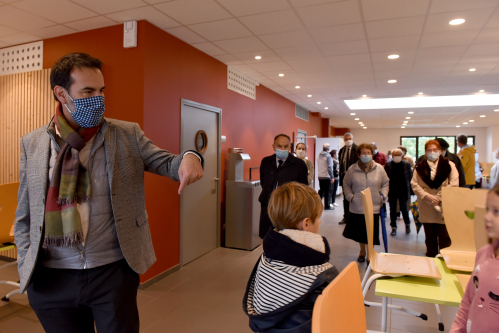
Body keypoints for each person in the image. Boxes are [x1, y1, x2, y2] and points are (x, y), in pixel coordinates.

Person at [13, 53, 204, 333]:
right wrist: (25, 262)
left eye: (101, 90)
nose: (98, 99)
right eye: (88, 91)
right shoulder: (32, 143)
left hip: (111, 274)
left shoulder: (126, 134)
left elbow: (168, 163)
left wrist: (191, 156)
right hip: (51, 279)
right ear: (61, 93)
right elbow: (25, 213)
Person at [243, 182, 339, 333]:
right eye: (318, 218)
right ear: (306, 224)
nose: (320, 221)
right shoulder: (324, 275)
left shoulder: (265, 259)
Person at [450, 185, 499, 333]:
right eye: (488, 209)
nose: (486, 216)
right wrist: (457, 329)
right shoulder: (484, 253)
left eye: (496, 211)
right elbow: (468, 300)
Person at [342, 143, 389, 263]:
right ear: (358, 155)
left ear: (372, 154)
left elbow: (385, 183)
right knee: (360, 232)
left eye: (369, 153)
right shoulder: (352, 169)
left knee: (371, 232)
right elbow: (346, 184)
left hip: (374, 205)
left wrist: (383, 195)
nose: (366, 155)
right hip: (357, 205)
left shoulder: (379, 168)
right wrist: (350, 197)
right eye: (364, 153)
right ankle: (362, 251)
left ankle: (370, 254)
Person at [411, 140, 459, 258]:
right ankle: (431, 262)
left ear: (440, 151)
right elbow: (414, 184)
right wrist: (426, 196)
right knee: (430, 238)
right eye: (429, 150)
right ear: (425, 152)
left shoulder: (449, 165)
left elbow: (454, 183)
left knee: (444, 237)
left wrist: (438, 197)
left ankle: (445, 264)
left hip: (443, 205)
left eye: (435, 150)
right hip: (426, 205)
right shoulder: (420, 167)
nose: (432, 152)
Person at [259, 134, 309, 238]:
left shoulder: (299, 164)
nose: (282, 149)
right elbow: (263, 182)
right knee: (267, 237)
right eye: (279, 146)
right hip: (268, 207)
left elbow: (304, 188)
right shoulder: (266, 162)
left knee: (285, 239)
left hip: (289, 210)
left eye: (285, 146)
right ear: (273, 146)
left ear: (290, 147)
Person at [385, 148, 413, 236]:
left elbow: (410, 177)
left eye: (398, 155)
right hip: (392, 189)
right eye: (395, 155)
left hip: (403, 190)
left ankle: (407, 225)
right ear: (392, 156)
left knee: (404, 208)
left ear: (402, 156)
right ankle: (393, 227)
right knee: (392, 209)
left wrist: (411, 191)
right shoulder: (388, 165)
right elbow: (385, 178)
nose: (396, 157)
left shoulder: (406, 164)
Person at [338, 132, 359, 224]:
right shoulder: (342, 150)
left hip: (355, 178)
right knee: (346, 198)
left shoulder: (357, 149)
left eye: (349, 138)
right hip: (344, 177)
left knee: (356, 197)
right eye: (346, 139)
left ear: (352, 139)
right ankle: (346, 216)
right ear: (344, 140)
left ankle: (355, 217)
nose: (348, 140)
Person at [317, 143, 334, 210]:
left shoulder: (319, 155)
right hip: (326, 176)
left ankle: (317, 204)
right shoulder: (328, 156)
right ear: (328, 149)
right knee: (327, 192)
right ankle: (327, 206)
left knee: (321, 191)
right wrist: (332, 177)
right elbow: (329, 167)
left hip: (320, 176)